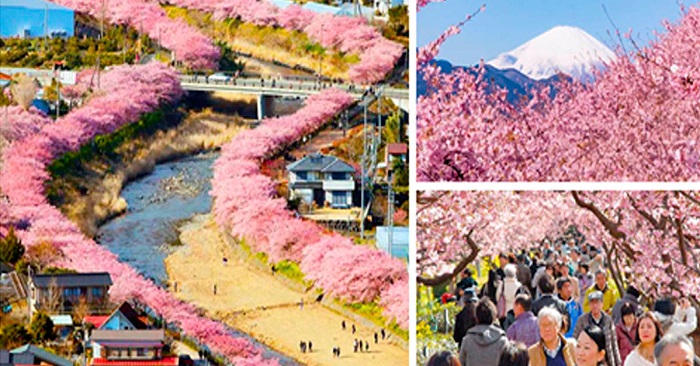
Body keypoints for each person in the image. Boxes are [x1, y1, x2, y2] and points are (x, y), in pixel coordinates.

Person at [575, 291, 622, 366]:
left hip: (605, 359)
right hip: (588, 359)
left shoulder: (608, 320)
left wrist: (618, 362)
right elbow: (576, 340)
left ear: (602, 304)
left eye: (597, 303)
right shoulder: (582, 320)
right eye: (592, 303)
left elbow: (614, 342)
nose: (595, 306)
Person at [458, 298, 508, 366]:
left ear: (476, 317)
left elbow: (460, 363)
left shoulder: (467, 340)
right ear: (493, 316)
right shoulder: (503, 341)